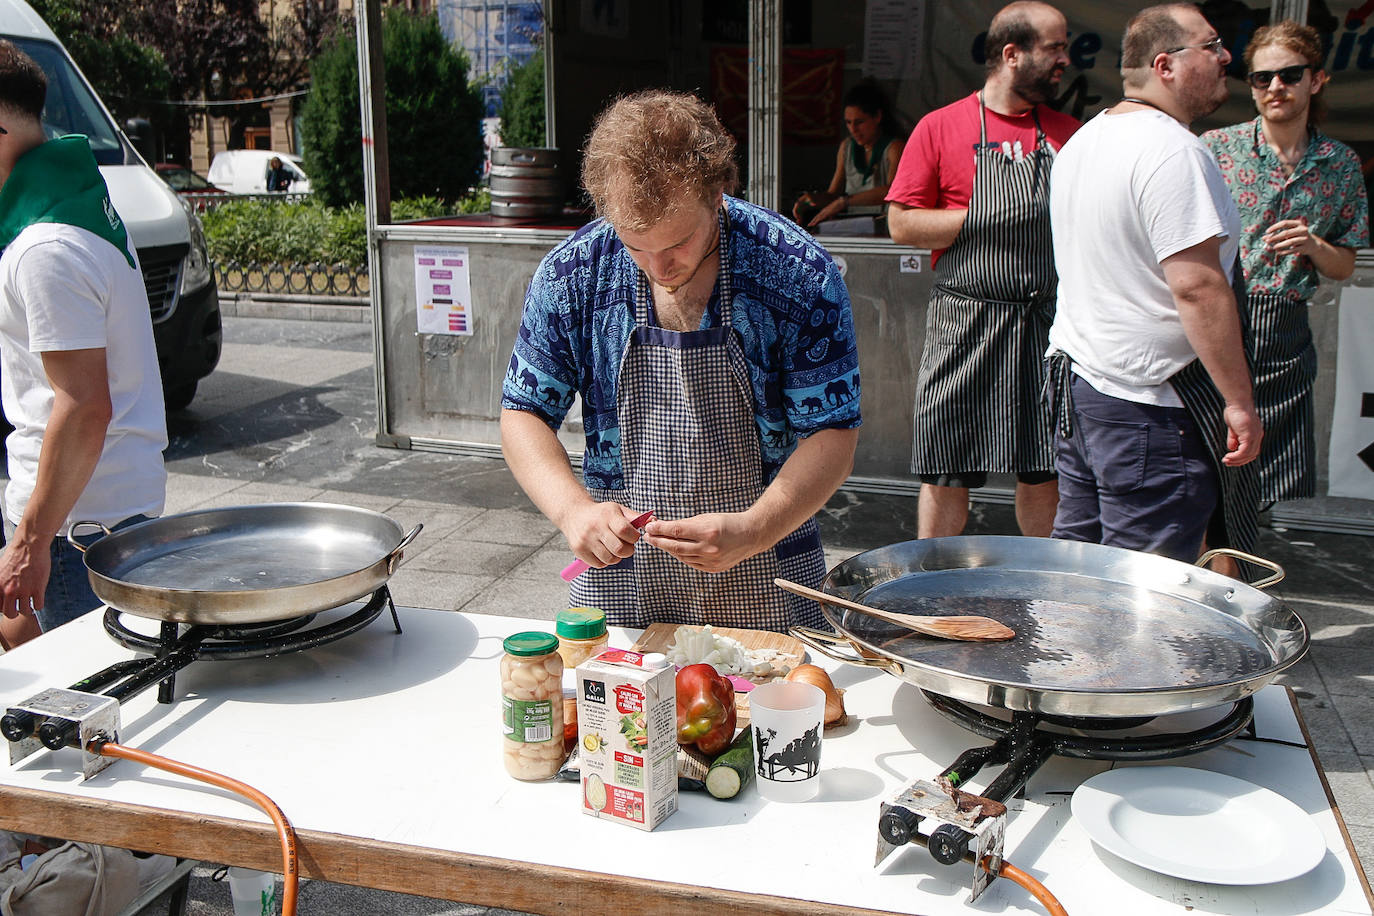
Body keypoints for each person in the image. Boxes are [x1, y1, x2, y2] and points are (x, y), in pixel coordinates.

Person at [501, 89, 861, 632]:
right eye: (635, 244)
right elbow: (523, 414)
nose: (658, 266)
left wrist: (755, 528)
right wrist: (573, 511)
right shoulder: (574, 273)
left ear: (719, 193)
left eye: (679, 243)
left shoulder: (797, 273)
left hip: (765, 564)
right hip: (620, 576)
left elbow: (833, 434)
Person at [1045, 3, 1262, 563]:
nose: (1225, 57)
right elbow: (1197, 287)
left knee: (1080, 572)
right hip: (1150, 408)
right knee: (1141, 587)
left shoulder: (1086, 140)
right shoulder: (1173, 151)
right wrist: (1238, 402)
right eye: (1211, 46)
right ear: (1165, 65)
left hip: (1086, 392)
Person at [885, 0, 1077, 539]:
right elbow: (902, 225)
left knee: (1044, 469)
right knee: (947, 470)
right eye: (1055, 47)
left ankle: (1046, 591)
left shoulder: (1070, 134)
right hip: (964, 324)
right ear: (1012, 54)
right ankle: (931, 591)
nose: (1065, 59)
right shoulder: (940, 126)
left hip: (1046, 324)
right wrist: (985, 215)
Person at [0, 41, 167, 649]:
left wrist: (29, 543)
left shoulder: (45, 249)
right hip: (89, 517)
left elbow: (83, 406)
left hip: (75, 531)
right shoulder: (78, 212)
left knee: (80, 720)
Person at [1201, 21, 1369, 504]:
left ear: (1315, 81)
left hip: (1288, 333)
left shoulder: (1340, 163)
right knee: (1210, 471)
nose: (1275, 87)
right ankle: (1210, 573)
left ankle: (1242, 573)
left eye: (1290, 75)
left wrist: (1315, 246)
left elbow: (1343, 266)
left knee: (1265, 484)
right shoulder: (1215, 149)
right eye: (1262, 77)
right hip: (1220, 321)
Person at [791, 82, 905, 232]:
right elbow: (833, 194)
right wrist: (812, 199)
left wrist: (844, 202)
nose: (853, 129)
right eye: (848, 123)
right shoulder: (847, 147)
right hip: (852, 226)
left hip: (885, 227)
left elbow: (892, 191)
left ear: (877, 117)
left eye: (859, 122)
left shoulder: (894, 147)